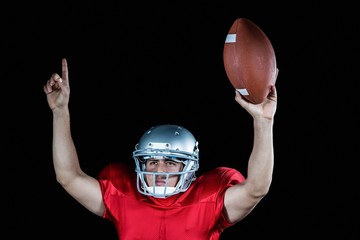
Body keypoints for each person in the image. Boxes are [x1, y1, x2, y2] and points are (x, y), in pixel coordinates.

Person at [43, 58, 278, 240]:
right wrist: (60, 112)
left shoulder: (209, 199)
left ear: (188, 166)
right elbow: (68, 177)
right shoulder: (122, 195)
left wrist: (263, 122)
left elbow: (257, 188)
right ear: (141, 164)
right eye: (152, 162)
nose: (159, 169)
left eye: (170, 162)